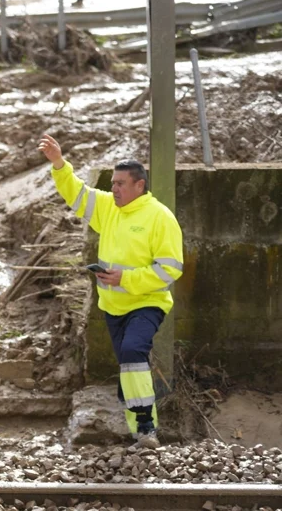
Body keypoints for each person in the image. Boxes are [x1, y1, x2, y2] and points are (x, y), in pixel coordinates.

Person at [38, 134, 183, 448]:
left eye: (120, 183)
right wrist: (59, 164)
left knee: (133, 353)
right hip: (113, 306)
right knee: (129, 366)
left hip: (148, 302)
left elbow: (170, 269)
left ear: (139, 186)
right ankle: (137, 430)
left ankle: (146, 427)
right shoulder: (108, 207)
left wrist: (126, 279)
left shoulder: (160, 218)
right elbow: (76, 193)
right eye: (113, 183)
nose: (113, 188)